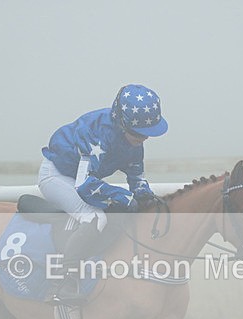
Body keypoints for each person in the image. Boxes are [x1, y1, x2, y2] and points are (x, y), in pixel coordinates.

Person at [38, 84, 168, 303]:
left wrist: (145, 195)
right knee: (95, 217)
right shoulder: (97, 134)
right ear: (122, 122)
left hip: (81, 178)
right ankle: (61, 283)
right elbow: (84, 184)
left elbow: (136, 177)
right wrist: (124, 196)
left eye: (148, 134)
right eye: (138, 133)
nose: (143, 138)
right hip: (57, 175)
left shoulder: (134, 141)